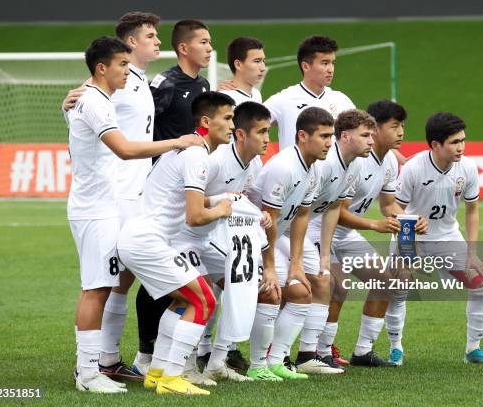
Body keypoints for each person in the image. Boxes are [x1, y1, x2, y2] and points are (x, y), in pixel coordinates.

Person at [68, 36, 202, 394]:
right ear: (102, 68)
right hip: (94, 210)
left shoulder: (97, 100)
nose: (127, 71)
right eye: (122, 65)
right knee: (95, 289)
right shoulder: (95, 103)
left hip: (105, 207)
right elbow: (125, 150)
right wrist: (177, 141)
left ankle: (102, 364)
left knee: (106, 286)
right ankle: (87, 372)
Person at [116, 91, 237, 396]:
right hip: (146, 241)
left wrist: (221, 199)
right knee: (204, 301)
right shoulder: (197, 155)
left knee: (183, 301)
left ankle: (157, 373)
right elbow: (195, 217)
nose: (233, 125)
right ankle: (172, 377)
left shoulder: (191, 151)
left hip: (143, 238)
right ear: (206, 121)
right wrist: (220, 209)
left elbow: (179, 199)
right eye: (228, 118)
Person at [317, 100, 425, 367]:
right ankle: (321, 352)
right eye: (395, 126)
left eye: (403, 126)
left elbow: (389, 204)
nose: (401, 132)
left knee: (385, 281)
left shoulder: (389, 161)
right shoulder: (356, 160)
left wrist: (411, 220)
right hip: (321, 232)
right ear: (375, 130)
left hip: (348, 234)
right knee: (338, 286)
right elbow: (337, 211)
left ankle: (363, 352)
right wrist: (375, 225)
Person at [174, 101, 274, 383]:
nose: (267, 139)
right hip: (188, 237)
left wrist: (260, 216)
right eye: (262, 132)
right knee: (202, 296)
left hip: (216, 240)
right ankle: (184, 366)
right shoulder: (216, 159)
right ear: (241, 135)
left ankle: (217, 362)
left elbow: (245, 203)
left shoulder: (255, 163)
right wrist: (221, 200)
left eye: (269, 131)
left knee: (244, 287)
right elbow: (187, 202)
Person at [391, 111, 483, 365]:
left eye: (462, 140)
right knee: (398, 289)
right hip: (411, 238)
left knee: (480, 285)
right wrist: (409, 239)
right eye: (454, 142)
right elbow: (396, 208)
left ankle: (473, 349)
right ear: (435, 144)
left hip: (448, 238)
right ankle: (395, 348)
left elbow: (472, 210)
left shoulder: (468, 168)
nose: (460, 147)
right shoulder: (413, 168)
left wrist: (472, 253)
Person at [245, 106, 332, 380]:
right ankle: (255, 365)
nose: (329, 143)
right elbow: (267, 221)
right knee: (271, 292)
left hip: (267, 240)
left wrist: (296, 265)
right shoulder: (284, 167)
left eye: (332, 136)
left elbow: (302, 215)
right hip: (245, 241)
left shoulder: (314, 168)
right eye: (324, 136)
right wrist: (269, 267)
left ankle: (276, 361)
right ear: (303, 136)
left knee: (300, 292)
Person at [292, 109, 377, 374]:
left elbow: (332, 209)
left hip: (315, 230)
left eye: (372, 135)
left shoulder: (355, 165)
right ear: (346, 136)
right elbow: (301, 209)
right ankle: (299, 354)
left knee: (334, 285)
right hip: (291, 227)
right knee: (303, 288)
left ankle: (319, 352)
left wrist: (326, 252)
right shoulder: (325, 164)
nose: (371, 141)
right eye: (365, 135)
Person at [264, 35, 355, 149]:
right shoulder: (283, 99)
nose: (331, 69)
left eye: (333, 63)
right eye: (325, 63)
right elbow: (249, 124)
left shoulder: (342, 100)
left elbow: (359, 135)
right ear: (306, 66)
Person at [150, 19, 212, 142]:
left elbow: (203, 127)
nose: (209, 48)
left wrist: (197, 138)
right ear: (183, 49)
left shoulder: (205, 84)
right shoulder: (166, 84)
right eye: (203, 42)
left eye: (210, 42)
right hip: (163, 160)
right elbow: (142, 125)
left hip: (194, 158)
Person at [219, 37, 266, 106]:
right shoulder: (225, 99)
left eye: (263, 61)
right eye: (257, 61)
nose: (263, 68)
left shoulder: (256, 94)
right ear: (238, 64)